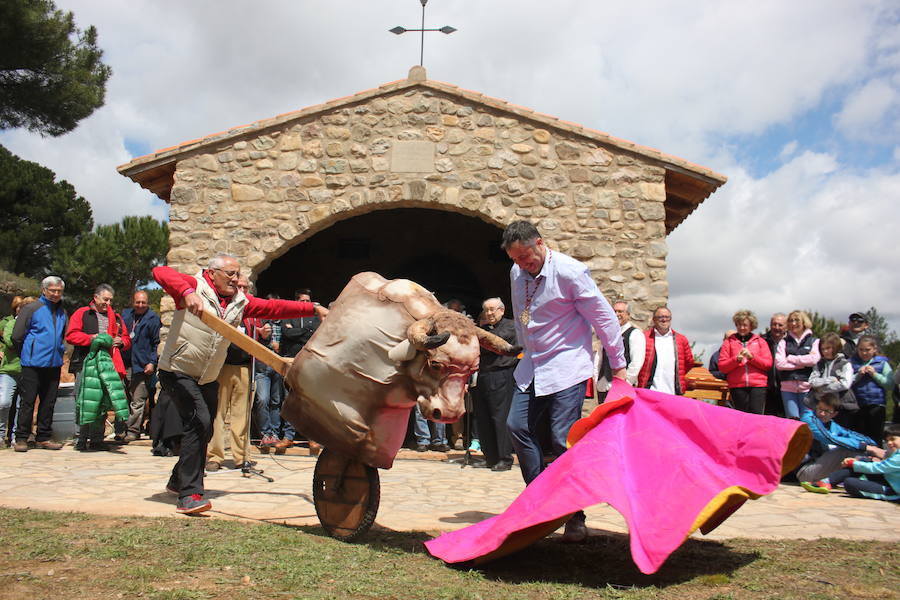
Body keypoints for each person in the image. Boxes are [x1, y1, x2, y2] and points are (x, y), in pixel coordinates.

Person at [153, 253, 327, 514]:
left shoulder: (239, 303)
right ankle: (190, 494)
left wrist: (312, 308)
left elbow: (273, 309)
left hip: (208, 375)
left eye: (237, 274)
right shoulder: (194, 286)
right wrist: (187, 292)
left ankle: (179, 481)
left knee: (205, 429)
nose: (236, 279)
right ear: (212, 273)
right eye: (230, 274)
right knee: (199, 421)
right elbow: (161, 273)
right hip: (178, 370)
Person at [502, 220, 625, 543]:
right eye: (515, 260)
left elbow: (604, 317)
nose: (522, 265)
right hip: (531, 367)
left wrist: (619, 367)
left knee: (561, 438)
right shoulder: (517, 273)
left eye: (526, 258)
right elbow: (522, 316)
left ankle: (575, 515)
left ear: (540, 243)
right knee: (517, 426)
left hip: (566, 366)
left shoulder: (571, 273)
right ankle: (541, 502)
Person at [65, 284, 132, 450]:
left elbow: (127, 338)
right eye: (105, 299)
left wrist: (122, 342)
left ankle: (96, 439)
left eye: (110, 300)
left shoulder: (115, 318)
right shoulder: (82, 313)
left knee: (102, 401)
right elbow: (71, 335)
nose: (108, 303)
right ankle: (80, 438)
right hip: (85, 362)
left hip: (107, 365)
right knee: (84, 399)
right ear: (95, 298)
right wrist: (91, 338)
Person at [206, 276, 262, 471]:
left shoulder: (254, 315)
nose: (241, 290)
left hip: (245, 367)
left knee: (242, 414)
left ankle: (242, 456)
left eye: (245, 287)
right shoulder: (224, 309)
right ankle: (215, 456)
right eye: (239, 287)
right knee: (218, 413)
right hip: (222, 366)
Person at [11, 276, 68, 452]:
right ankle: (22, 437)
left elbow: (62, 336)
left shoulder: (62, 312)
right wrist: (28, 353)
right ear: (44, 290)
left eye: (59, 291)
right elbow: (17, 336)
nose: (56, 294)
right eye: (53, 290)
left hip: (54, 364)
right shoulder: (31, 309)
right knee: (28, 402)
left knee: (49, 402)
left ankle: (43, 437)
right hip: (32, 364)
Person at [797, 392, 880, 492]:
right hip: (804, 471)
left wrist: (872, 445)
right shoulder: (809, 418)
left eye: (827, 411)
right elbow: (828, 438)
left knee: (862, 451)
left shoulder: (832, 424)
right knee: (848, 450)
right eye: (820, 408)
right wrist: (867, 447)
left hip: (818, 467)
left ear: (834, 414)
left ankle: (874, 481)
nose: (821, 413)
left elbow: (850, 434)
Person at [471, 297, 518, 471]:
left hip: (501, 375)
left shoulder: (510, 327)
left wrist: (480, 340)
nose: (489, 313)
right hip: (483, 376)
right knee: (482, 417)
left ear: (502, 310)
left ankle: (504, 458)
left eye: (493, 310)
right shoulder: (483, 330)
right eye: (487, 310)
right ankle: (489, 457)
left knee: (499, 417)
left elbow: (495, 343)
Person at [274, 288, 323, 451]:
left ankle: (313, 438)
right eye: (302, 301)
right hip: (291, 362)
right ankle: (288, 437)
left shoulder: (316, 318)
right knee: (290, 400)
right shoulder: (288, 316)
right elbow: (287, 333)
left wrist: (299, 333)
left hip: (310, 363)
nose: (305, 304)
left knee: (310, 401)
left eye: (308, 301)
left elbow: (317, 335)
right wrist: (305, 332)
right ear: (296, 302)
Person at [121, 290, 161, 442]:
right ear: (133, 302)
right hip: (125, 363)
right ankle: (121, 429)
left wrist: (152, 362)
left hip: (142, 365)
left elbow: (156, 343)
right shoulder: (125, 316)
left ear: (147, 303)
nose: (140, 305)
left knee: (138, 400)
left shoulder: (153, 319)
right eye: (138, 302)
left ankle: (133, 430)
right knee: (122, 398)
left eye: (143, 302)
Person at [826, 423, 900, 501]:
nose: (889, 443)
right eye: (887, 440)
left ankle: (829, 481)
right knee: (864, 463)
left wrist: (853, 463)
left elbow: (879, 468)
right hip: (888, 480)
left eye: (893, 439)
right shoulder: (894, 453)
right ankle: (827, 481)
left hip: (894, 491)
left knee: (850, 483)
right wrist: (860, 462)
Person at [717, 311, 772, 414]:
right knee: (741, 416)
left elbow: (768, 364)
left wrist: (752, 358)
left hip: (758, 385)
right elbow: (722, 366)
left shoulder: (760, 341)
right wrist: (736, 360)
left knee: (756, 415)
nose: (742, 328)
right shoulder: (728, 342)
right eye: (739, 325)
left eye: (745, 325)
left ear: (751, 326)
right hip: (737, 386)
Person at [593, 301, 645, 401]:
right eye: (614, 311)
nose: (617, 314)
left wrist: (626, 383)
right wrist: (596, 378)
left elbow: (637, 362)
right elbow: (599, 357)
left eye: (620, 311)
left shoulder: (635, 334)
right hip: (603, 386)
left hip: (623, 388)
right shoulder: (608, 334)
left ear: (628, 315)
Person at [637, 306, 694, 395]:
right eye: (660, 317)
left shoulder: (681, 340)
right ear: (654, 320)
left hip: (673, 392)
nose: (664, 320)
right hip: (649, 391)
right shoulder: (644, 338)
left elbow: (689, 362)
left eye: (667, 317)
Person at [775, 310, 819, 419]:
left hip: (807, 387)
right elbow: (779, 364)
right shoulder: (783, 342)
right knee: (792, 420)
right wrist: (802, 364)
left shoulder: (814, 341)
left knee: (808, 420)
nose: (793, 323)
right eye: (790, 320)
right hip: (787, 388)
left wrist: (792, 358)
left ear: (804, 322)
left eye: (796, 320)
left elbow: (814, 360)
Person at [849, 335, 893, 444]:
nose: (864, 353)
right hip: (857, 405)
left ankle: (876, 457)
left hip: (876, 405)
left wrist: (875, 374)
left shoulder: (882, 363)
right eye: (861, 350)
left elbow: (890, 384)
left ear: (874, 349)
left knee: (876, 436)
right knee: (859, 436)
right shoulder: (851, 363)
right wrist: (858, 375)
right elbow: (846, 382)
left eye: (867, 350)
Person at [808, 332, 856, 428]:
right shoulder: (819, 364)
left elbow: (845, 384)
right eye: (822, 349)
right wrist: (829, 380)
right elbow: (812, 381)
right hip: (822, 406)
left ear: (836, 347)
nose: (825, 351)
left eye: (828, 348)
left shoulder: (845, 364)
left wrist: (823, 389)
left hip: (840, 406)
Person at [0, 296, 27, 447]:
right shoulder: (9, 323)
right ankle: (0, 435)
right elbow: (10, 341)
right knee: (4, 403)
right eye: (19, 308)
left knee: (20, 405)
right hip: (9, 369)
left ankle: (16, 436)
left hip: (26, 369)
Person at [762, 313, 787, 416]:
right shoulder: (762, 341)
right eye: (774, 324)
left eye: (780, 325)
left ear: (786, 326)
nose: (777, 328)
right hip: (766, 389)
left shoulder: (791, 342)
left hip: (786, 388)